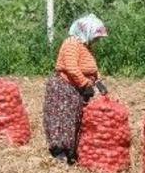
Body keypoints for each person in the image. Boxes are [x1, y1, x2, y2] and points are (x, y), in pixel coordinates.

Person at [43, 13, 109, 164]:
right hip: (64, 89)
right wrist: (85, 84)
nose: (97, 41)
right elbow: (71, 68)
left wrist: (98, 82)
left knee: (76, 121)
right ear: (86, 31)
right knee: (63, 120)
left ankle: (72, 152)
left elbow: (91, 67)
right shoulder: (72, 44)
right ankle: (60, 153)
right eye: (96, 37)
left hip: (77, 90)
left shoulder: (85, 45)